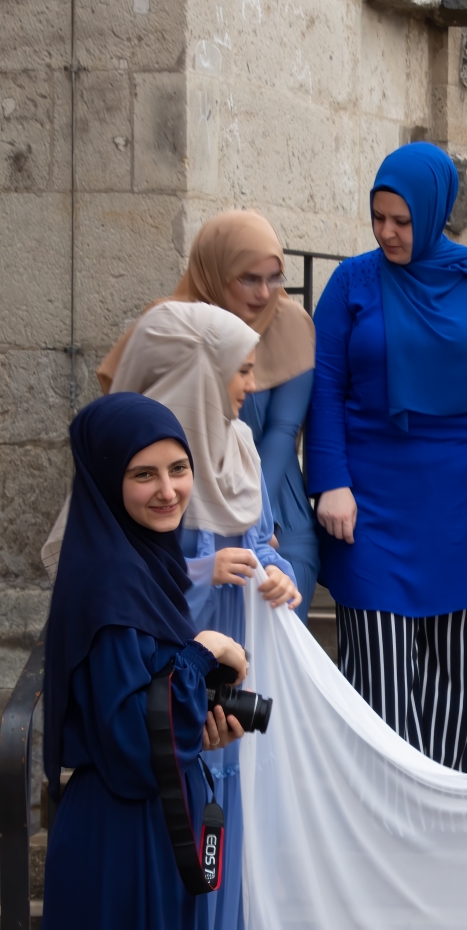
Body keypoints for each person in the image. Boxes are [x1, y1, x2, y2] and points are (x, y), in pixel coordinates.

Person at [306, 142, 467, 773]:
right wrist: (329, 481)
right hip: (371, 500)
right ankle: (380, 829)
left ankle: (452, 830)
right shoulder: (352, 281)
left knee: (459, 686)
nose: (387, 232)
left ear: (434, 212)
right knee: (376, 684)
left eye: (401, 220)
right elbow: (324, 386)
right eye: (378, 217)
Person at [108, 300, 298, 930]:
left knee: (222, 793)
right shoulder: (155, 466)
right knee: (181, 794)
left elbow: (263, 538)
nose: (252, 385)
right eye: (240, 371)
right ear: (203, 374)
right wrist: (203, 571)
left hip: (232, 647)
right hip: (174, 649)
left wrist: (278, 574)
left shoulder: (240, 445)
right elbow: (123, 578)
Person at [42, 393, 249, 930]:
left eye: (179, 468)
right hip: (124, 840)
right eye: (143, 474)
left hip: (154, 825)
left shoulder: (141, 562)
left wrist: (197, 729)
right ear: (108, 479)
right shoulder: (111, 582)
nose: (168, 490)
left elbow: (144, 706)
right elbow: (133, 744)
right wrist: (205, 650)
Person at [97, 210, 319, 621]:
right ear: (215, 273)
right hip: (179, 502)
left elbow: (282, 431)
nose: (266, 292)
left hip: (268, 508)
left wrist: (250, 516)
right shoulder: (170, 325)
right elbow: (128, 419)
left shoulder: (292, 325)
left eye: (275, 278)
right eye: (249, 278)